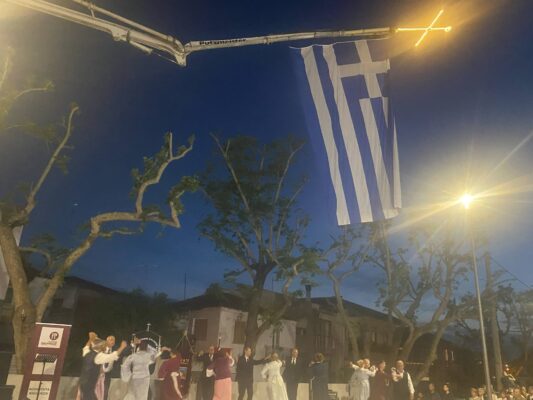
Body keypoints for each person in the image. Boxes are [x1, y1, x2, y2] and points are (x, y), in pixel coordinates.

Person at [79, 333, 127, 400]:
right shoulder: (98, 356)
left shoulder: (87, 353)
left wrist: (90, 339)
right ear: (100, 347)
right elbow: (113, 356)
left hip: (83, 383)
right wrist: (122, 347)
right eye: (103, 345)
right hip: (90, 385)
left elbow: (86, 347)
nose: (104, 346)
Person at [101, 335, 116, 400]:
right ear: (106, 341)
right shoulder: (102, 349)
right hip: (99, 374)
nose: (113, 341)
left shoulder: (115, 351)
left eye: (114, 340)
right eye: (111, 340)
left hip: (108, 376)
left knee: (105, 392)